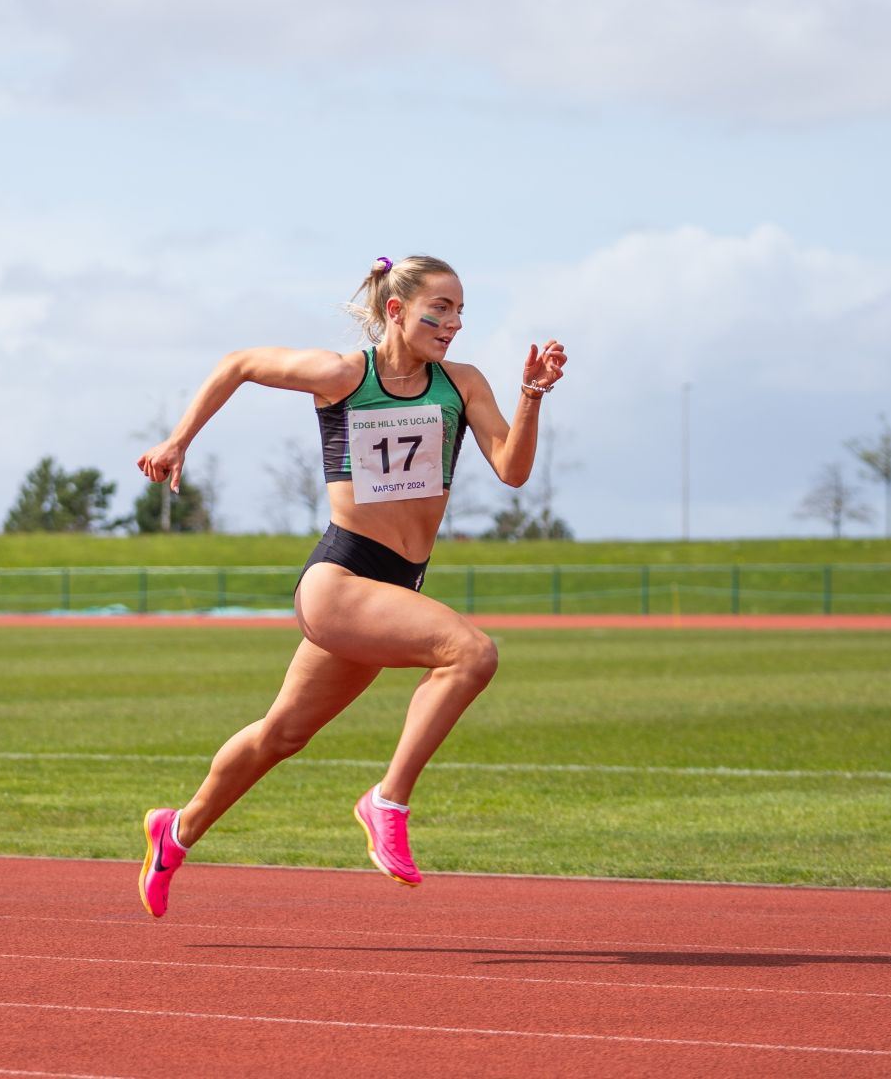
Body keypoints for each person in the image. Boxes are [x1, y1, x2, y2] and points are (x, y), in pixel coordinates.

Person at [134, 254, 567, 917]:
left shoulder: (462, 384)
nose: (453, 324)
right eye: (439, 309)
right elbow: (240, 363)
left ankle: (178, 831)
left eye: (459, 311)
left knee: (281, 735)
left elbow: (512, 470)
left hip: (395, 588)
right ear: (396, 311)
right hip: (339, 579)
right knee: (472, 653)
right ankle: (387, 800)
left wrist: (531, 396)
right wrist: (177, 440)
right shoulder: (343, 375)